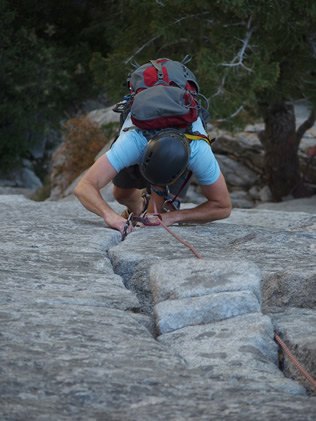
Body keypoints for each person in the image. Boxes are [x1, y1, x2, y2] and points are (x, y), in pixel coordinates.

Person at [74, 112, 232, 238]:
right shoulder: (132, 143)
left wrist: (174, 217)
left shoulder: (199, 152)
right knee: (122, 195)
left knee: (157, 217)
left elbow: (223, 207)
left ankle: (151, 212)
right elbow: (84, 187)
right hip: (143, 138)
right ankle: (137, 209)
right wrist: (110, 216)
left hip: (181, 148)